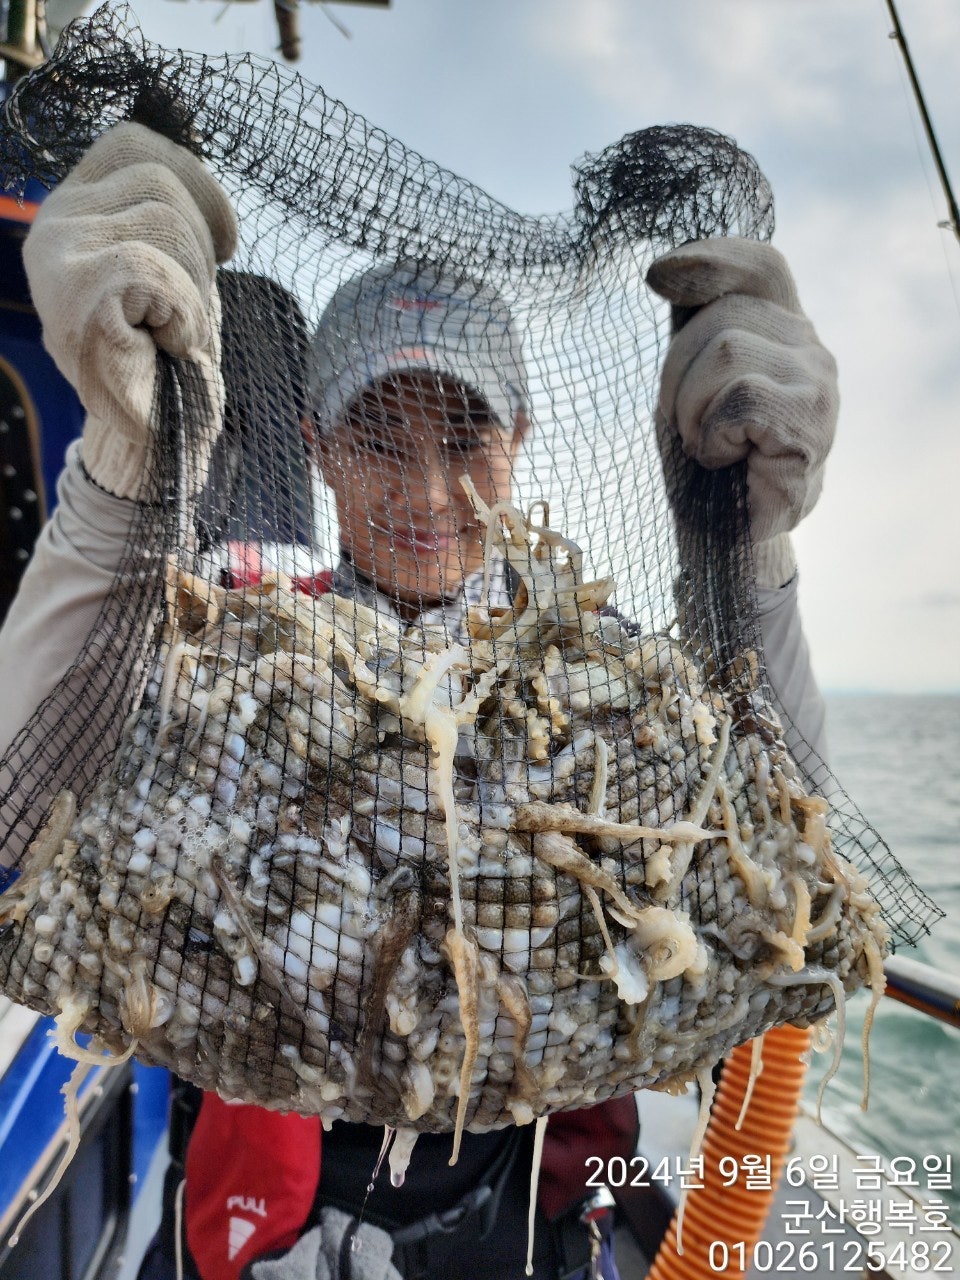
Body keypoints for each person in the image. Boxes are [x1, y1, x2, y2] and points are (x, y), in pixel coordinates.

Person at [0, 121, 837, 1279]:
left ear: (523, 441)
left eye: (466, 436)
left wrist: (748, 555)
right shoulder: (244, 648)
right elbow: (28, 799)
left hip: (514, 1218)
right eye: (378, 437)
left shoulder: (598, 688)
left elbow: (786, 865)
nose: (429, 489)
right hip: (265, 1224)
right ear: (315, 447)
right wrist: (120, 471)